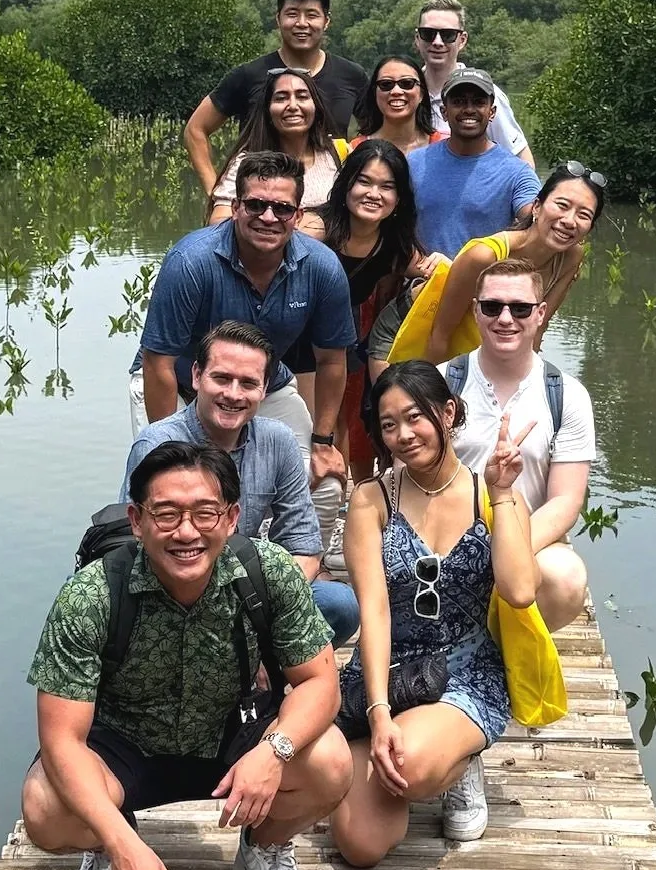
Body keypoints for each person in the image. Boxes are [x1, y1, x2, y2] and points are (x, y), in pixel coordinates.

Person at [24, 440, 352, 870]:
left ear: (232, 517)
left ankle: (262, 849)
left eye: (204, 513)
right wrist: (119, 843)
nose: (186, 532)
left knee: (330, 761)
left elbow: (320, 683)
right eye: (166, 514)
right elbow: (61, 739)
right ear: (136, 520)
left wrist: (275, 751)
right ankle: (103, 850)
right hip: (124, 746)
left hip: (234, 734)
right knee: (45, 807)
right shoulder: (90, 596)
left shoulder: (268, 572)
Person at [331, 362, 536, 870]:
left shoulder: (489, 494)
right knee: (360, 847)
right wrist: (378, 713)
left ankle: (457, 762)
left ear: (447, 412)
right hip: (388, 674)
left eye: (415, 417)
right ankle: (391, 744)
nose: (403, 435)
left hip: (465, 672)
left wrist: (505, 492)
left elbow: (520, 590)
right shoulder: (372, 501)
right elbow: (373, 612)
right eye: (388, 424)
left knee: (411, 766)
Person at [124, 319, 358, 643]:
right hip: (172, 593)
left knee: (339, 605)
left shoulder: (278, 441)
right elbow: (135, 552)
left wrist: (253, 623)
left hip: (249, 596)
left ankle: (260, 668)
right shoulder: (157, 445)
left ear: (264, 389)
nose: (233, 394)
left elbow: (303, 548)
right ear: (196, 376)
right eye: (221, 378)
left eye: (248, 383)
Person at [137, 152, 355, 487]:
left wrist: (323, 441)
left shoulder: (321, 268)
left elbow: (331, 361)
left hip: (262, 384)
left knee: (323, 484)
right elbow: (158, 364)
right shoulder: (190, 262)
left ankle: (291, 542)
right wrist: (175, 454)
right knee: (178, 487)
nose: (268, 217)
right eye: (256, 205)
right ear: (236, 207)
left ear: (297, 216)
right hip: (177, 382)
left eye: (281, 208)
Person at [445, 257, 595, 633]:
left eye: (520, 308)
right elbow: (407, 475)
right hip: (446, 533)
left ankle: (509, 647)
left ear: (541, 313)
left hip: (531, 536)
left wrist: (505, 550)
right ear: (475, 311)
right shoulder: (441, 383)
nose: (506, 319)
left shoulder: (568, 395)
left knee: (566, 577)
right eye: (492, 307)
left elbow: (565, 501)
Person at [185, 0, 369, 200]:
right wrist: (215, 192)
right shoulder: (248, 75)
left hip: (328, 205)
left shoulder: (351, 75)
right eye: (292, 14)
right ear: (278, 18)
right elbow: (195, 129)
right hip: (260, 205)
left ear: (326, 20)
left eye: (311, 15)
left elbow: (375, 134)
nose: (302, 23)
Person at [315, 138, 438, 480]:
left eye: (387, 186)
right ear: (346, 185)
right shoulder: (316, 231)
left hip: (345, 337)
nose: (374, 194)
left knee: (344, 413)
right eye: (364, 182)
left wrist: (440, 267)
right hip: (301, 336)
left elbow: (436, 274)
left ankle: (341, 488)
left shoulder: (393, 244)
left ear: (399, 200)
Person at [416, 161, 607, 364]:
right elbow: (439, 336)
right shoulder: (484, 256)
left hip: (475, 352)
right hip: (413, 330)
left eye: (584, 215)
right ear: (536, 207)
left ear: (590, 228)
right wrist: (433, 393)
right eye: (562, 205)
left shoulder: (571, 257)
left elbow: (536, 331)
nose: (569, 221)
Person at [406, 70, 540, 257]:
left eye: (478, 102)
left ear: (492, 112)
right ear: (444, 112)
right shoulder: (414, 163)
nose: (469, 109)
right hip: (423, 280)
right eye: (459, 102)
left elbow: (538, 223)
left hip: (486, 282)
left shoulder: (517, 173)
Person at [208, 67, 343, 233]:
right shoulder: (246, 162)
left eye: (302, 97)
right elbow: (217, 223)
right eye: (281, 98)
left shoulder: (337, 154)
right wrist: (292, 228)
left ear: (316, 106)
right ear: (268, 110)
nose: (293, 105)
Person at [415, 0, 533, 160]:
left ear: (462, 40)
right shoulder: (404, 92)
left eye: (448, 35)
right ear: (417, 38)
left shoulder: (486, 94)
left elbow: (521, 158)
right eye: (428, 33)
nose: (437, 42)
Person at [352, 54, 437, 154]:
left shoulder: (445, 145)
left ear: (422, 93)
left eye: (407, 83)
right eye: (386, 84)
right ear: (374, 93)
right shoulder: (354, 150)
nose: (396, 91)